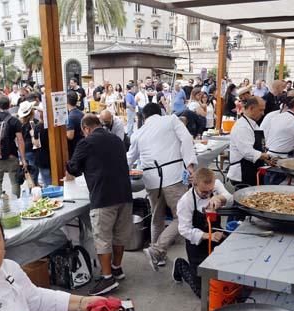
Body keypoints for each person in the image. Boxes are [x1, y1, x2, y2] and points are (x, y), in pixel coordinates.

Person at [65, 114, 133, 295]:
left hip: (103, 197)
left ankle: (107, 278)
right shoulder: (117, 140)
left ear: (86, 129)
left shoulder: (86, 143)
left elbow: (73, 168)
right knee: (119, 236)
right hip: (125, 194)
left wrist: (67, 164)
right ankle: (117, 268)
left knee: (102, 239)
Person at [127, 103, 197, 270]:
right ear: (160, 112)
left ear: (144, 117)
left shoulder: (138, 133)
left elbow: (129, 158)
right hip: (173, 177)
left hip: (151, 180)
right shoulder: (171, 120)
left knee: (156, 217)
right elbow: (187, 138)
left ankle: (158, 256)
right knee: (182, 217)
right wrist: (190, 164)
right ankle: (157, 250)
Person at [172, 167, 232, 296]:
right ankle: (180, 265)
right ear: (194, 185)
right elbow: (184, 230)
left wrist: (219, 198)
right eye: (204, 192)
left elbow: (230, 197)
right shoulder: (186, 201)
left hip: (216, 235)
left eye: (211, 191)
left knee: (220, 277)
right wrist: (207, 235)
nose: (208, 194)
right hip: (196, 243)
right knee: (202, 292)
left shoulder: (214, 185)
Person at [0, 95, 27, 199]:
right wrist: (23, 159)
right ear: (9, 105)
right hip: (11, 155)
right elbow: (20, 140)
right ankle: (16, 204)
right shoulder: (14, 121)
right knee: (15, 182)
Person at [227, 97, 274, 185]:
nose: (263, 113)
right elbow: (247, 152)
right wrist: (266, 156)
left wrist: (265, 158)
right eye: (261, 110)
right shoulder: (242, 127)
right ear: (251, 108)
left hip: (252, 169)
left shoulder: (253, 124)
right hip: (242, 173)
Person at [65, 91, 84, 158]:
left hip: (75, 149)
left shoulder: (70, 117)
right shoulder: (81, 113)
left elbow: (70, 136)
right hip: (82, 145)